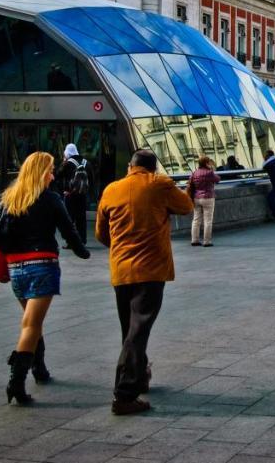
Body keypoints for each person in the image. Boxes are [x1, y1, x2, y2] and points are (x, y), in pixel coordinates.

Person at [96, 149, 193, 415]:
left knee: (130, 328)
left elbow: (101, 233)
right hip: (150, 270)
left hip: (121, 270)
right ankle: (124, 394)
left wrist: (120, 249)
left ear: (130, 166)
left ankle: (139, 377)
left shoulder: (111, 189)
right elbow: (186, 206)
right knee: (138, 330)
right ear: (152, 168)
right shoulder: (159, 184)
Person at [0, 151, 90, 406]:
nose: (52, 174)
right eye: (49, 170)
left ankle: (40, 368)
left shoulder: (10, 198)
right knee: (31, 325)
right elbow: (68, 229)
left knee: (32, 320)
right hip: (42, 264)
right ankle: (16, 382)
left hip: (16, 267)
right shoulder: (51, 198)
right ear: (40, 172)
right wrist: (82, 251)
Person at [57, 143, 90, 243]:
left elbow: (58, 175)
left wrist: (64, 190)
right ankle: (82, 240)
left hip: (70, 195)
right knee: (81, 218)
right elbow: (92, 178)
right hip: (82, 195)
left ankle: (71, 242)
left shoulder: (68, 163)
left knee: (69, 219)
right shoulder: (86, 163)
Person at [187, 156, 220, 247]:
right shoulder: (209, 173)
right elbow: (217, 179)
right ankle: (207, 241)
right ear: (206, 163)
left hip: (196, 198)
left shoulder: (195, 173)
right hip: (208, 198)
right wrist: (212, 169)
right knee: (208, 220)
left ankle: (194, 240)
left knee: (196, 219)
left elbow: (190, 182)